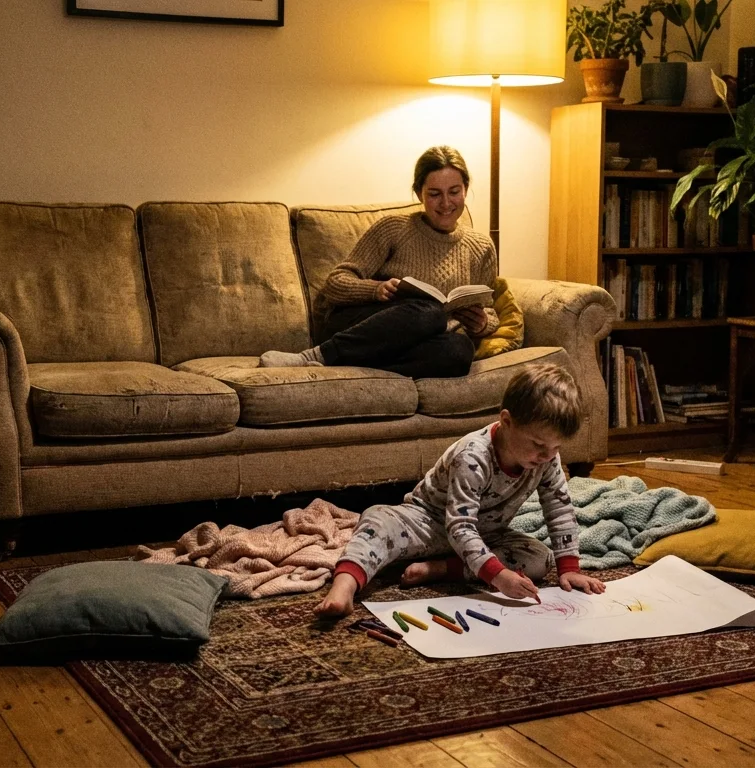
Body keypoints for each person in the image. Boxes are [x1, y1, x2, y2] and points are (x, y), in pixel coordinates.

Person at [315, 363, 607, 618]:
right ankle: (345, 588)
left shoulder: (547, 459)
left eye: (556, 447)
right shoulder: (473, 455)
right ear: (506, 422)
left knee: (539, 557)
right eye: (539, 445)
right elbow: (458, 525)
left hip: (486, 532)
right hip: (429, 524)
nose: (547, 455)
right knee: (377, 520)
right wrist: (497, 576)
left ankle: (441, 569)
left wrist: (568, 567)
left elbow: (559, 509)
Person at [258, 146, 500, 379]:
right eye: (435, 194)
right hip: (360, 324)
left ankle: (352, 363)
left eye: (454, 192)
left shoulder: (480, 246)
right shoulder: (393, 228)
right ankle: (318, 354)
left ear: (466, 189)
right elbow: (335, 283)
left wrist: (482, 324)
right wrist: (376, 289)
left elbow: (489, 309)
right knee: (430, 313)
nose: (446, 203)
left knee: (459, 350)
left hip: (412, 340)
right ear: (419, 194)